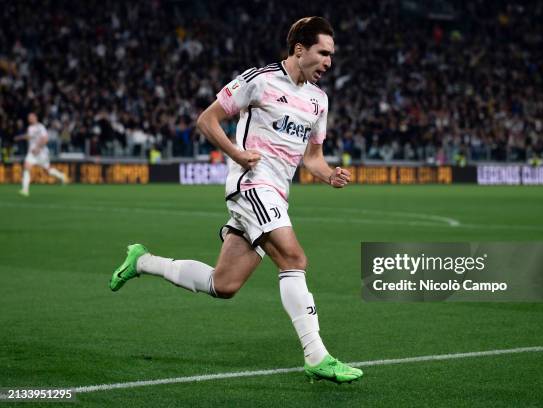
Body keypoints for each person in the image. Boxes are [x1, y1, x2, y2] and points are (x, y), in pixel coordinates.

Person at [109, 16, 363, 384]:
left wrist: (330, 175)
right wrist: (238, 154)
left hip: (277, 194)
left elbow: (312, 159)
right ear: (299, 49)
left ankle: (143, 261)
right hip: (251, 185)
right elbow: (207, 120)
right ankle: (317, 355)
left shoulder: (318, 101)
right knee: (294, 258)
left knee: (223, 285)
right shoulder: (259, 80)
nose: (329, 62)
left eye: (332, 56)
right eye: (323, 53)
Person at [14, 113, 67, 196]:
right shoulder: (30, 128)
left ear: (35, 117)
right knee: (26, 167)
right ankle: (25, 190)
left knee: (48, 170)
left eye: (31, 117)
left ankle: (62, 176)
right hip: (31, 152)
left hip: (41, 152)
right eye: (28, 118)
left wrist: (38, 147)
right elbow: (29, 136)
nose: (29, 119)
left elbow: (45, 138)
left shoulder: (40, 127)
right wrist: (20, 137)